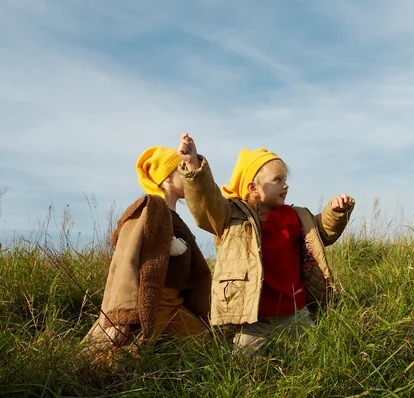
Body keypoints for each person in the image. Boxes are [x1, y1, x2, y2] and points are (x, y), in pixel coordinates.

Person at [177, 133, 354, 355]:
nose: (285, 185)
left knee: (314, 359)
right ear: (253, 188)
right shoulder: (232, 217)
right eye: (277, 180)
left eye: (285, 180)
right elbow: (207, 203)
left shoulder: (295, 216)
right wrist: (193, 165)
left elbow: (320, 233)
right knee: (244, 366)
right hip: (254, 320)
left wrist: (336, 213)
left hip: (296, 314)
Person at [82, 146, 212, 360]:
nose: (187, 173)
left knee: (208, 348)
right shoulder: (149, 208)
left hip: (175, 304)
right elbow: (126, 260)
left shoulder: (177, 220)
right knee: (119, 356)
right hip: (151, 303)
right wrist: (122, 316)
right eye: (181, 169)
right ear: (167, 178)